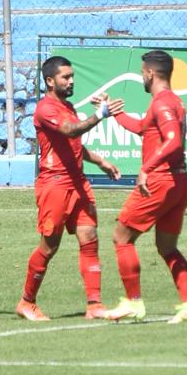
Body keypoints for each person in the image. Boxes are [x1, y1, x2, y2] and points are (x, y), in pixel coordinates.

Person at [16, 56, 124, 322]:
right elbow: (71, 132)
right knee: (49, 246)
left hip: (78, 183)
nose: (71, 80)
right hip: (54, 185)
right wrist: (101, 114)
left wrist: (100, 161)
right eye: (66, 77)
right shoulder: (45, 109)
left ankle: (95, 305)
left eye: (72, 76)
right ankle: (27, 302)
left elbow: (74, 145)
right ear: (50, 81)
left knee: (90, 239)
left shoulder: (67, 106)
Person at [104, 49, 187, 324]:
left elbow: (173, 141)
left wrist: (146, 168)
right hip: (179, 182)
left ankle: (133, 302)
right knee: (167, 247)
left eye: (141, 72)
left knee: (121, 237)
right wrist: (115, 113)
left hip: (160, 181)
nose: (140, 77)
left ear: (149, 73)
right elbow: (142, 128)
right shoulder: (170, 102)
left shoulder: (161, 104)